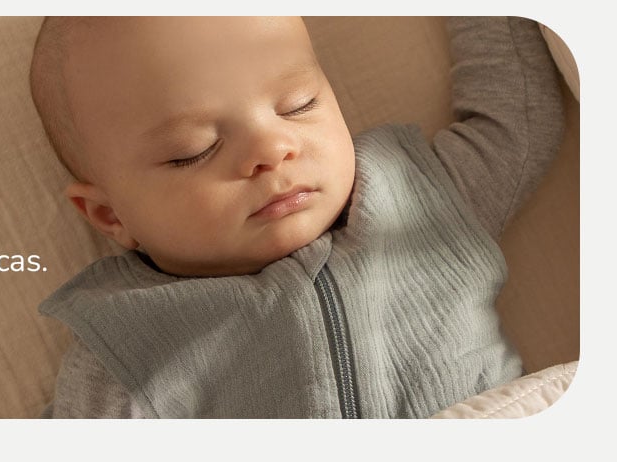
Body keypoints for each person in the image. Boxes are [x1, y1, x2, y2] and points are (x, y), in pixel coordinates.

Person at [29, 16, 564, 418]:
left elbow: (516, 119)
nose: (271, 148)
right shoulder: (124, 347)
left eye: (297, 104)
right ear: (110, 215)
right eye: (194, 150)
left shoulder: (421, 193)